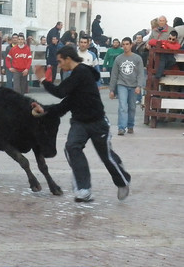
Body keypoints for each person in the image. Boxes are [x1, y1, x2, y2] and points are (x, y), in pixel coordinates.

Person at [33, 45, 131, 202]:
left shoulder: (82, 73)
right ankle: (84, 190)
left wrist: (43, 79)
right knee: (72, 148)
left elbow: (60, 92)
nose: (59, 65)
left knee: (106, 156)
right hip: (79, 123)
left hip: (98, 122)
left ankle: (123, 180)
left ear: (68, 59)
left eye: (60, 61)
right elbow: (65, 105)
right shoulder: (75, 78)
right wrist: (43, 109)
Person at [109, 37, 145, 135]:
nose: (125, 46)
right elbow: (114, 75)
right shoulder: (118, 59)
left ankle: (130, 125)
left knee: (132, 107)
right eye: (123, 44)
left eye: (127, 44)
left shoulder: (137, 58)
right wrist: (112, 90)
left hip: (133, 85)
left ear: (131, 45)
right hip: (122, 84)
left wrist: (139, 86)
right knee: (122, 106)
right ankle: (121, 127)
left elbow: (141, 73)